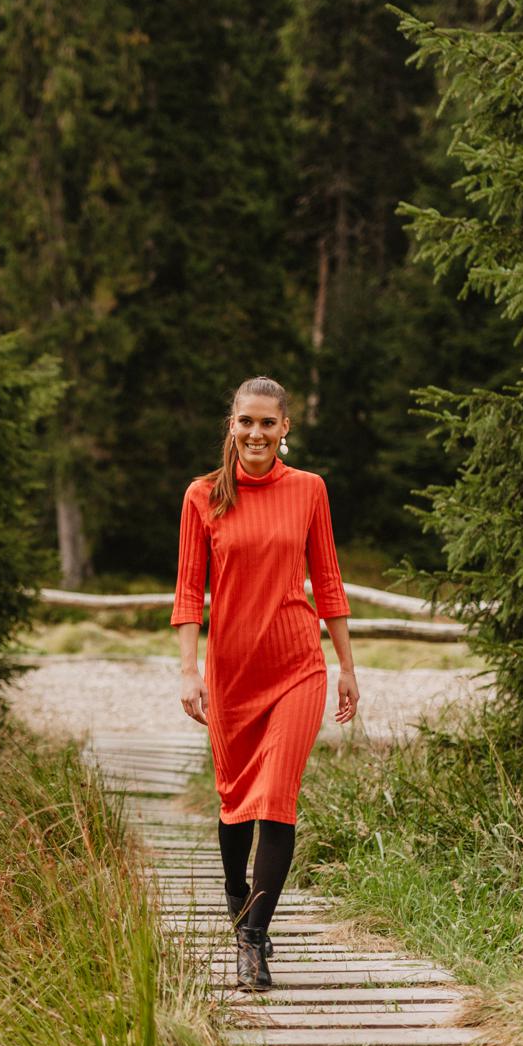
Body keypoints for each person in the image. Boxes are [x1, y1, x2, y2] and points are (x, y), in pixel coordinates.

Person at [171, 375, 359, 990]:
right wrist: (188, 670)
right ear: (232, 426)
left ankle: (253, 936)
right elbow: (187, 596)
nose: (256, 433)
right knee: (234, 804)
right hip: (231, 673)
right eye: (246, 422)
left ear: (286, 431)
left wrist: (347, 668)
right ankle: (236, 897)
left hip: (297, 666)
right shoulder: (203, 496)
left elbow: (328, 582)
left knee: (276, 798)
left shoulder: (309, 490)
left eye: (268, 423)